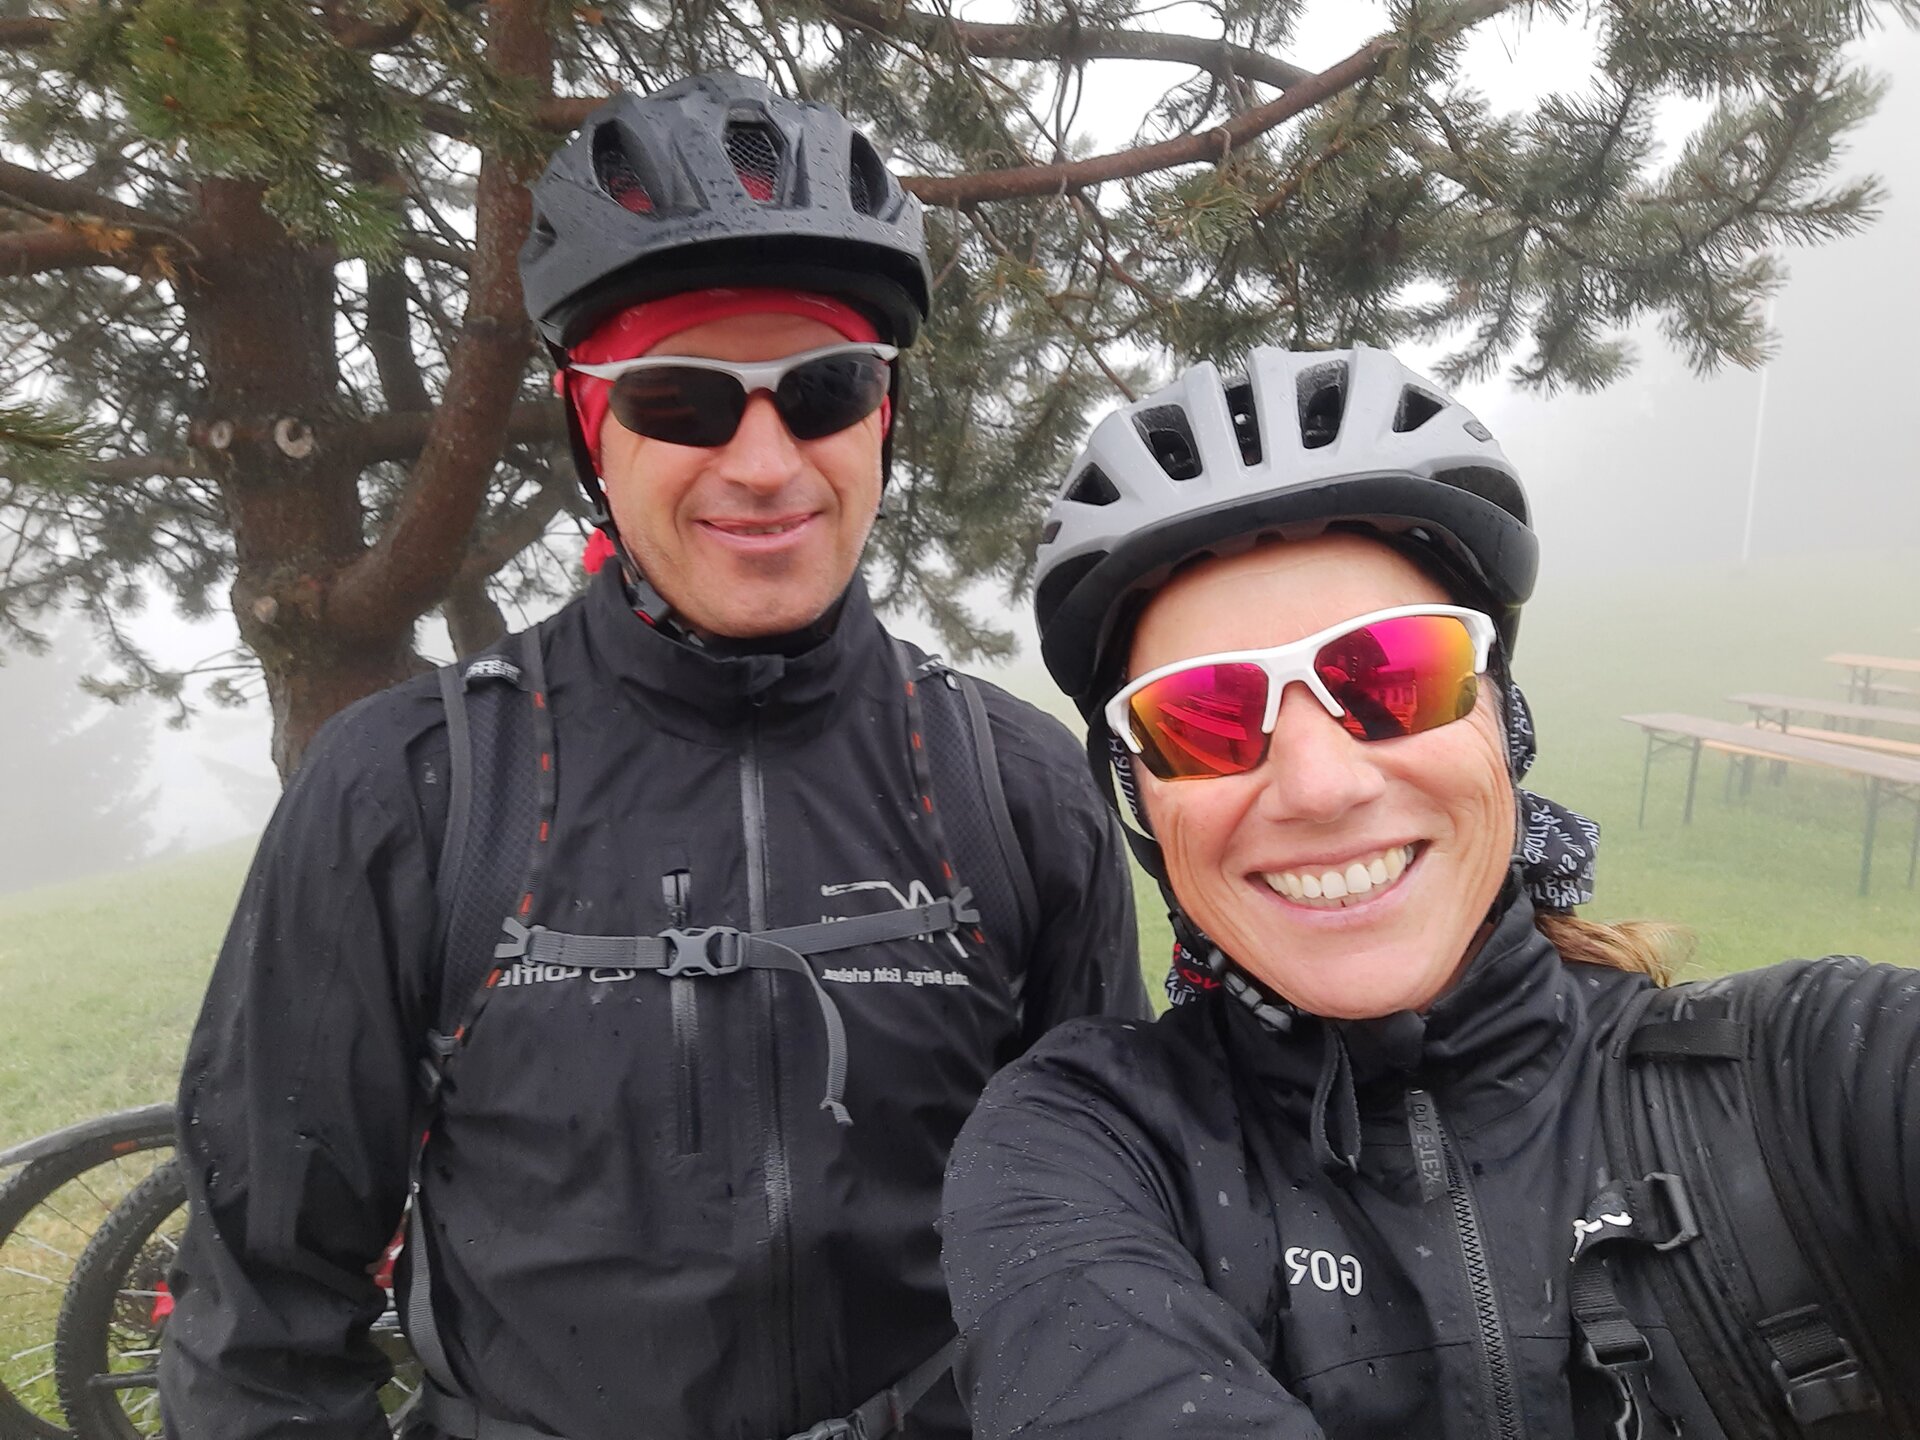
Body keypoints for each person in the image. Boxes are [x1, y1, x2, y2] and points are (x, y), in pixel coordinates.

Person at [160, 73, 1146, 1440]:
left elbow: (1106, 1249)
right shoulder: (414, 788)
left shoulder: (1016, 785)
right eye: (682, 399)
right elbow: (260, 1320)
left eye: (825, 390)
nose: (765, 464)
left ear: (884, 417)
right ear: (591, 428)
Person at [938, 344, 1919, 1437]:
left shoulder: (1821, 1074)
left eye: (1394, 674)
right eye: (1205, 717)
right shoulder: (1082, 1150)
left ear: (1504, 717)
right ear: (1139, 797)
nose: (1321, 786)